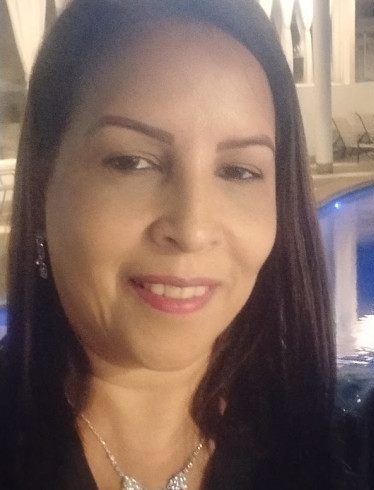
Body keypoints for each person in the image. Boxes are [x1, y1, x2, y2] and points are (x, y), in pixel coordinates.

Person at [0, 0, 335, 488]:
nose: (192, 228)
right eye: (132, 162)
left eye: (238, 171)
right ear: (42, 185)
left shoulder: (335, 447)